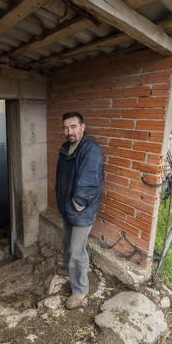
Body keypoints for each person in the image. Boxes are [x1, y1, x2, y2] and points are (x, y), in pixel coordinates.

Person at [55, 111, 104, 309]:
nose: (69, 131)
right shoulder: (66, 148)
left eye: (73, 127)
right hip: (67, 206)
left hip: (81, 209)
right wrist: (61, 200)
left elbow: (89, 181)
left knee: (77, 250)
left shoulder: (91, 149)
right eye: (65, 128)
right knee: (67, 244)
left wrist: (77, 204)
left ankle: (80, 290)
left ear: (82, 127)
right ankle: (72, 271)